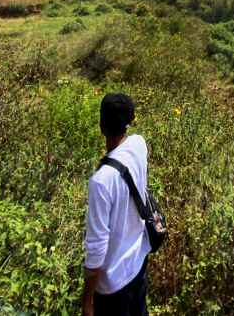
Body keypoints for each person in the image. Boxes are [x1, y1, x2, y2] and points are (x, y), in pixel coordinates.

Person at [82, 93, 151, 316]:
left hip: (113, 285)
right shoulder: (139, 145)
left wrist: (87, 300)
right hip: (139, 263)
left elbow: (97, 246)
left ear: (102, 126)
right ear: (131, 120)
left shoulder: (101, 181)